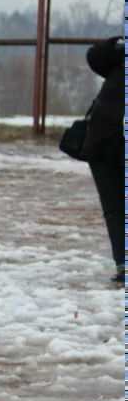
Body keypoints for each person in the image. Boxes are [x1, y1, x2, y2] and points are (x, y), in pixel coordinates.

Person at [80, 36, 124, 283]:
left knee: (116, 209)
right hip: (103, 141)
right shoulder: (117, 58)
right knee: (115, 208)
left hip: (104, 138)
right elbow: (94, 57)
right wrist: (118, 42)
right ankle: (124, 266)